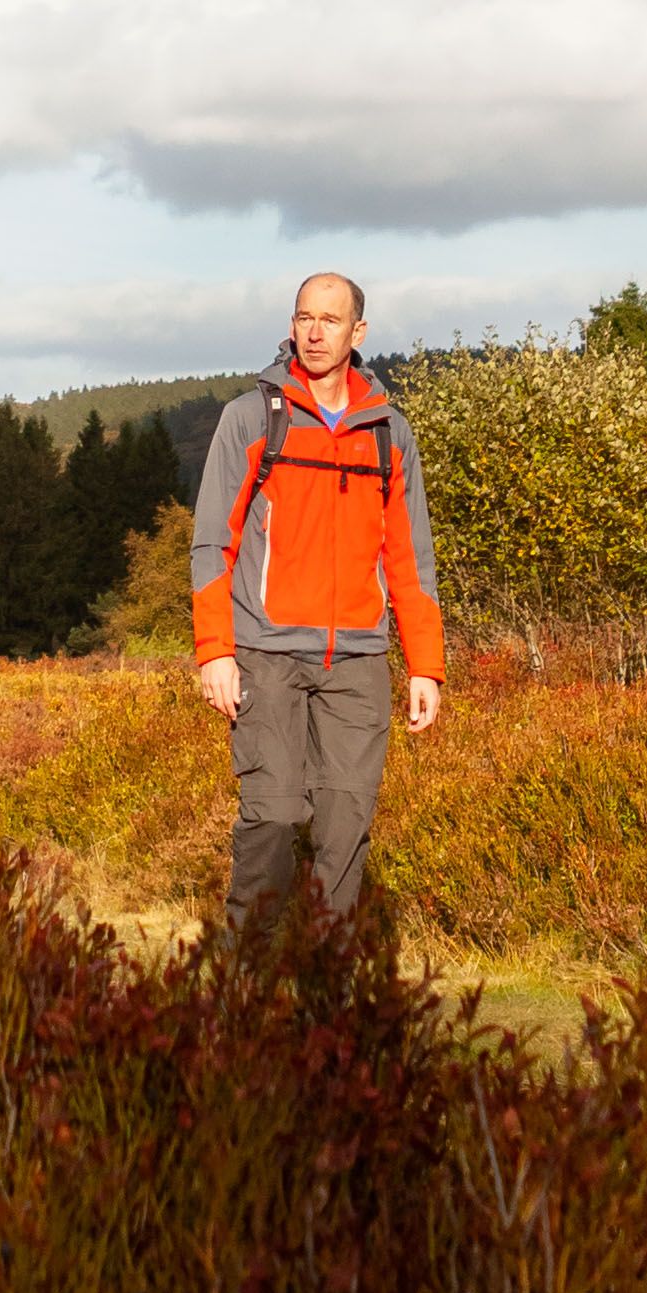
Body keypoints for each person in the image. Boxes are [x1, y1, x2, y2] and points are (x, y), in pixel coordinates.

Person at [189, 271, 444, 940]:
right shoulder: (252, 417)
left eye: (331, 320)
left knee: (345, 828)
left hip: (357, 662)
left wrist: (426, 665)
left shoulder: (390, 432)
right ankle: (248, 991)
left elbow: (410, 558)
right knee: (271, 821)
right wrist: (215, 652)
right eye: (305, 316)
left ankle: (325, 999)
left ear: (358, 333)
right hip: (266, 656)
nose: (314, 331)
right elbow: (213, 541)